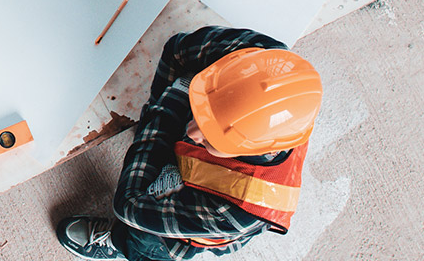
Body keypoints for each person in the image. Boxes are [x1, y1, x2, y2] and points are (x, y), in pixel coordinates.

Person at [56, 26, 323, 260]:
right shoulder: (260, 60)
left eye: (211, 138)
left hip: (190, 224)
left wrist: (165, 109)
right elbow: (176, 51)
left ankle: (120, 244)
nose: (192, 132)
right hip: (198, 167)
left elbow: (130, 206)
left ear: (251, 149)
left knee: (147, 239)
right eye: (200, 113)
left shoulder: (240, 208)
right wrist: (163, 102)